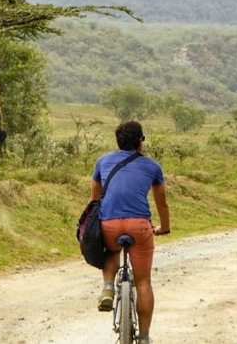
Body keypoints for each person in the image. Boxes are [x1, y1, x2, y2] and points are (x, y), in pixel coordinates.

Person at [90, 120, 170, 344]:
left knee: (110, 249)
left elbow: (94, 200)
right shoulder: (152, 166)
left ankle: (108, 286)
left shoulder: (102, 161)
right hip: (140, 226)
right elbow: (162, 204)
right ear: (140, 142)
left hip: (110, 225)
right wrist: (164, 227)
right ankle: (144, 338)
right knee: (143, 282)